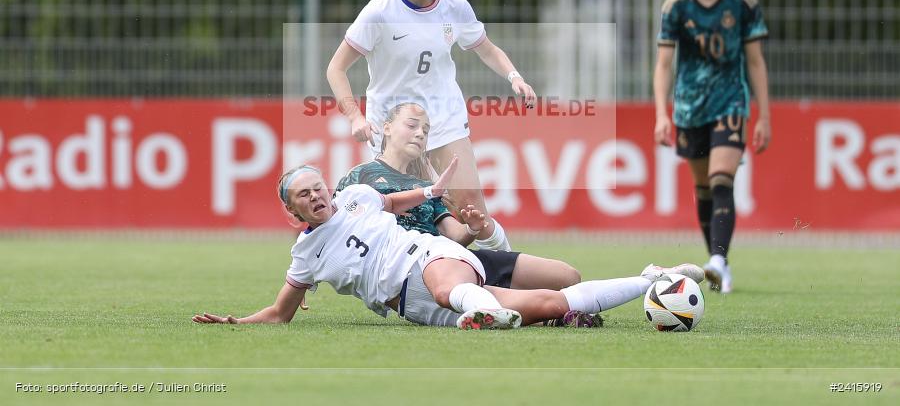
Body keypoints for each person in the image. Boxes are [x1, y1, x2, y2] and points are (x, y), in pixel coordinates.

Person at [192, 165, 705, 330]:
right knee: (551, 304)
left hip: (430, 259)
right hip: (413, 305)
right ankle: (654, 278)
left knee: (446, 287)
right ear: (293, 213)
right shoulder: (305, 257)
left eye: (318, 187)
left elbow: (393, 201)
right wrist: (237, 322)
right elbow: (281, 313)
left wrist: (430, 192)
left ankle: (486, 315)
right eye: (304, 195)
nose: (317, 196)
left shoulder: (356, 196)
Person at [326, 0, 537, 252]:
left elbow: (486, 49)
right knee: (422, 215)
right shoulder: (379, 12)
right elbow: (336, 68)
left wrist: (514, 77)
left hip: (444, 118)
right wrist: (355, 116)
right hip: (394, 127)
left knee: (471, 208)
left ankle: (508, 267)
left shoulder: (455, 7)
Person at [335, 101, 584, 309]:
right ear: (387, 128)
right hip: (420, 273)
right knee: (532, 304)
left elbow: (455, 236)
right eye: (412, 125)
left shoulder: (426, 186)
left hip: (454, 258)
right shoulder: (361, 177)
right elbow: (330, 228)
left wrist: (472, 229)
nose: (420, 134)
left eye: (425, 130)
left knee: (568, 277)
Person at [653, 0, 772, 294]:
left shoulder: (743, 3)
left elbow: (755, 62)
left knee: (722, 179)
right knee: (703, 188)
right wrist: (662, 114)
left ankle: (717, 261)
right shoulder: (675, 5)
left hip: (731, 101)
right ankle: (720, 261)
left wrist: (764, 116)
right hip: (689, 108)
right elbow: (663, 64)